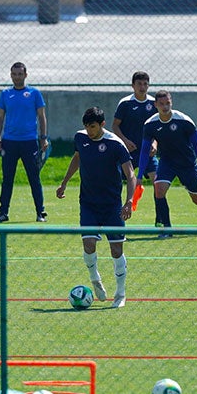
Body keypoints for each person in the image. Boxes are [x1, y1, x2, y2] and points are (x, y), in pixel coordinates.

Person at [56, 106, 137, 308]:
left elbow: (130, 175)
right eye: (86, 126)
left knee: (116, 249)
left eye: (92, 126)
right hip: (88, 203)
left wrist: (129, 201)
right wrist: (64, 182)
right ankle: (95, 279)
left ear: (101, 124)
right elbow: (77, 158)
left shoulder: (115, 144)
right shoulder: (80, 138)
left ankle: (120, 294)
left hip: (112, 206)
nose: (89, 131)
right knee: (88, 244)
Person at [136, 90, 197, 237]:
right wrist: (139, 175)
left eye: (167, 103)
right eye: (161, 104)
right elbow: (145, 151)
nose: (165, 107)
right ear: (155, 105)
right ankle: (167, 229)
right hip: (167, 163)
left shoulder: (184, 121)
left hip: (187, 164)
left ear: (172, 102)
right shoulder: (150, 125)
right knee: (159, 190)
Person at [0, 61, 48, 223]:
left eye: (20, 74)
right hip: (9, 142)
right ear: (11, 75)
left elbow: (42, 117)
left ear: (25, 75)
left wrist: (43, 137)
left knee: (34, 178)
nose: (17, 77)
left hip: (29, 142)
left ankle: (40, 212)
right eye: (14, 74)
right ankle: (3, 213)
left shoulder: (34, 93)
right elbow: (0, 118)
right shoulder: (5, 94)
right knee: (7, 179)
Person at [112, 71, 161, 223]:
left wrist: (154, 143)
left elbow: (158, 128)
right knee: (117, 184)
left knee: (158, 183)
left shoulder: (154, 104)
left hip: (147, 153)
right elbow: (115, 126)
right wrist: (125, 141)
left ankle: (160, 220)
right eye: (139, 84)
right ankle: (115, 218)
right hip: (129, 153)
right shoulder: (126, 103)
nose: (142, 87)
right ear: (133, 85)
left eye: (145, 84)